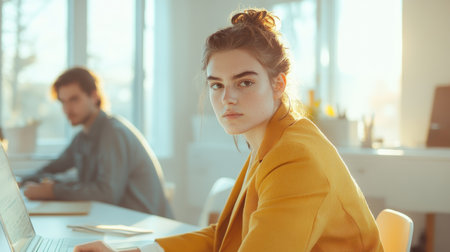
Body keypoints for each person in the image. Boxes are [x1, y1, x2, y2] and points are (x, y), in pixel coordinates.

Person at [74, 8, 383, 252]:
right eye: (217, 85)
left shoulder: (295, 157)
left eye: (244, 82)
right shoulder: (272, 142)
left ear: (279, 84)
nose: (227, 98)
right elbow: (226, 236)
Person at [22, 67, 173, 218]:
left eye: (74, 99)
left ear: (94, 97)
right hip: (119, 220)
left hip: (145, 225)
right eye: (62, 102)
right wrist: (20, 182)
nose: (67, 109)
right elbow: (54, 167)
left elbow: (107, 193)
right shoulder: (81, 138)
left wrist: (53, 191)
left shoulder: (113, 133)